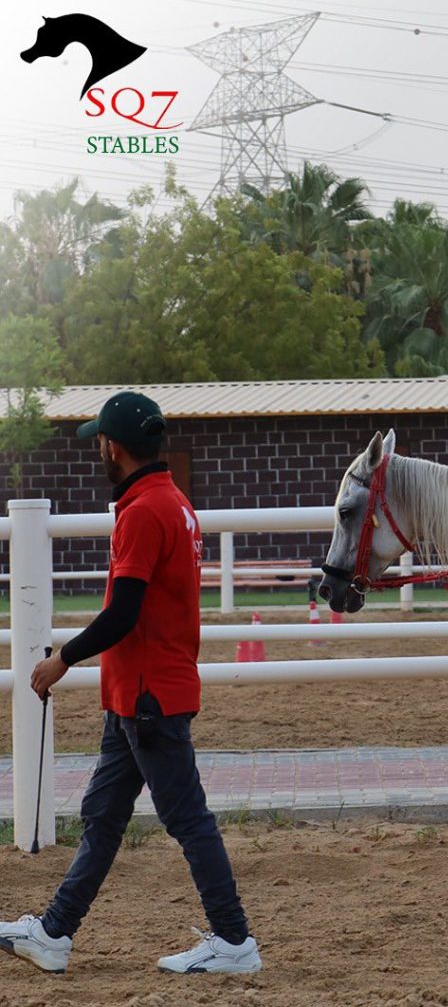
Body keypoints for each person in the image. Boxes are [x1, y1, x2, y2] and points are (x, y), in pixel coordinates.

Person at [0, 391, 261, 976]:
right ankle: (53, 932)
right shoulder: (172, 504)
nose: (99, 448)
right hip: (137, 695)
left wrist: (61, 659)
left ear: (112, 447)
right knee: (103, 814)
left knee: (187, 818)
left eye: (100, 440)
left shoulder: (144, 512)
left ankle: (234, 939)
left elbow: (124, 613)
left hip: (147, 698)